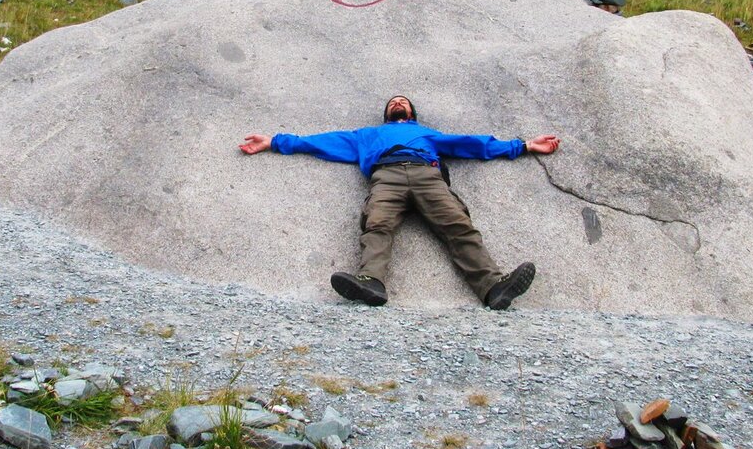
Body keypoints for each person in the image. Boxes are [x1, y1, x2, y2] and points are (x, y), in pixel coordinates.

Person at [239, 96, 560, 310]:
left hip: (426, 174)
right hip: (386, 176)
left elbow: (470, 144)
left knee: (458, 226)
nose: (398, 103)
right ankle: (371, 283)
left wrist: (524, 146)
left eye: (403, 102)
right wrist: (273, 142)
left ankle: (493, 287)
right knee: (376, 224)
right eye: (393, 102)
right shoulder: (368, 135)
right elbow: (321, 142)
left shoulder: (425, 133)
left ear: (411, 114)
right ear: (387, 114)